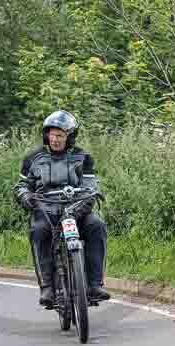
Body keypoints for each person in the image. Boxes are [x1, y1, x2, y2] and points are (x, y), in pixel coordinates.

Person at [13, 110, 111, 306]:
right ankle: (47, 287)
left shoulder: (83, 157)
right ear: (46, 134)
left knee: (97, 225)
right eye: (52, 134)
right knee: (38, 231)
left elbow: (90, 186)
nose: (55, 139)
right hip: (46, 210)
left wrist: (83, 203)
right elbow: (21, 185)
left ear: (70, 137)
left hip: (77, 208)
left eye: (61, 135)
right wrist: (25, 196)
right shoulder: (33, 158)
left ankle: (94, 284)